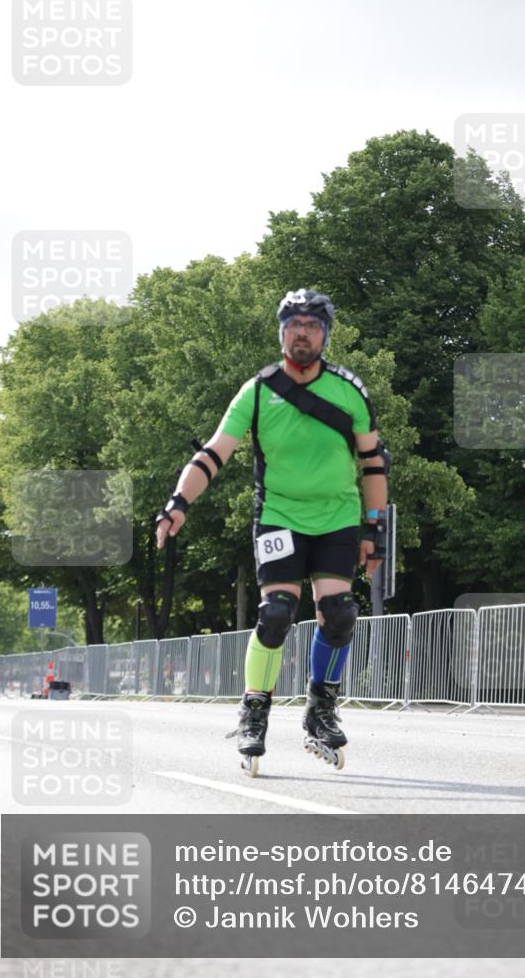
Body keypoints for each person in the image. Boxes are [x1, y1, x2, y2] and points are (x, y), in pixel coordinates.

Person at [155, 288, 390, 772]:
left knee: (339, 614)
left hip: (338, 517)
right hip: (279, 515)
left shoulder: (350, 390)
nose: (302, 331)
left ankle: (320, 711)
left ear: (325, 334)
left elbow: (373, 462)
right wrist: (178, 503)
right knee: (277, 613)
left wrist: (374, 529)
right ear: (282, 333)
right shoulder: (258, 391)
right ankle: (254, 710)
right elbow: (214, 453)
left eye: (312, 324)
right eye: (294, 324)